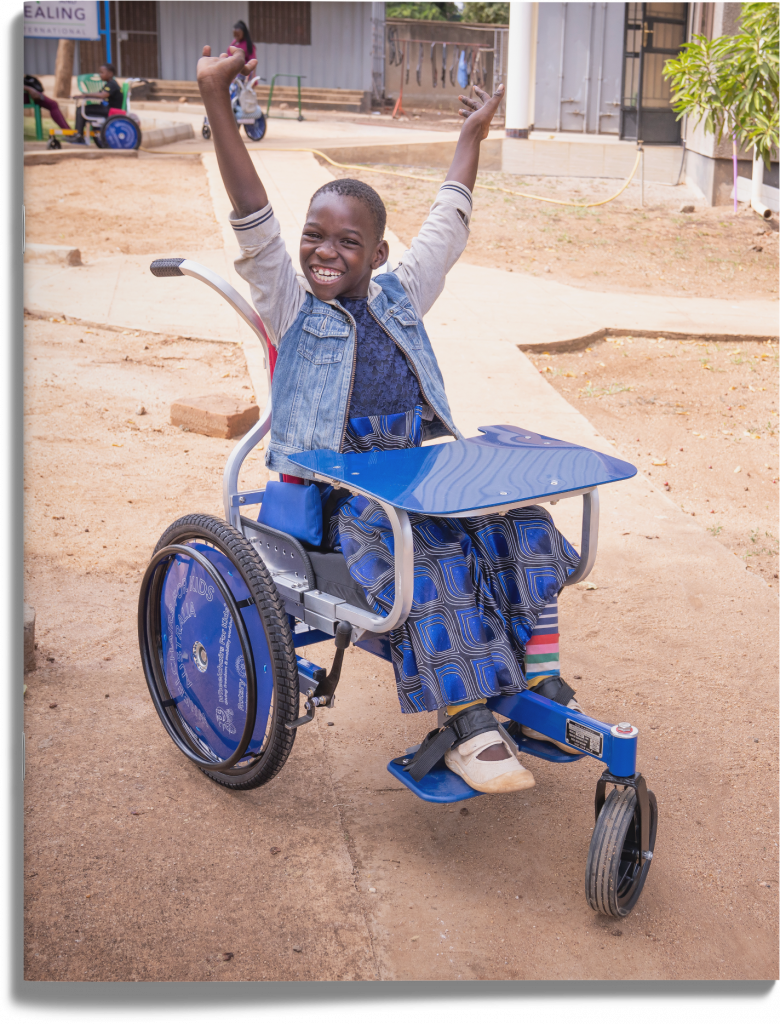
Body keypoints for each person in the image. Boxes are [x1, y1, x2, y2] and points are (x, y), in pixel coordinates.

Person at [196, 44, 586, 795]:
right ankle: (468, 716)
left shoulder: (402, 294)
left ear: (377, 253)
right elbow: (252, 215)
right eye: (315, 234)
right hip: (343, 500)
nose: (324, 251)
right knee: (425, 561)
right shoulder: (293, 305)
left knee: (526, 524)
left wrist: (470, 138)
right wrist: (217, 95)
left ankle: (536, 683)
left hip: (420, 481)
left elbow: (449, 222)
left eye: (347, 241)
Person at [75, 63, 123, 140]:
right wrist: (84, 95)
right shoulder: (108, 84)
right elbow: (99, 94)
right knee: (83, 109)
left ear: (110, 73)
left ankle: (78, 135)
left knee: (81, 109)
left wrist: (86, 94)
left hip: (111, 110)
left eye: (102, 72)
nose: (100, 74)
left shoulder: (112, 84)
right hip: (107, 108)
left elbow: (103, 95)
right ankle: (79, 134)